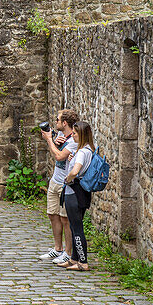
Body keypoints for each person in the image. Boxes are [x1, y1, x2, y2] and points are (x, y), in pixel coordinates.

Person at [40, 109, 79, 265]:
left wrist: (49, 140)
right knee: (53, 214)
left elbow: (59, 157)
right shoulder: (63, 138)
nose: (54, 122)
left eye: (57, 120)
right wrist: (55, 143)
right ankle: (58, 248)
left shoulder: (74, 141)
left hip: (66, 184)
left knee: (65, 219)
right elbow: (57, 156)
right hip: (55, 181)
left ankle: (68, 253)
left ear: (64, 123)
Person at [61, 121, 95, 271]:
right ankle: (74, 258)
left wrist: (67, 178)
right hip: (81, 193)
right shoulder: (88, 150)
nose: (72, 136)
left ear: (81, 134)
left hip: (74, 192)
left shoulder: (81, 152)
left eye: (74, 133)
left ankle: (83, 261)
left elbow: (75, 171)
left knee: (77, 228)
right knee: (75, 227)